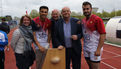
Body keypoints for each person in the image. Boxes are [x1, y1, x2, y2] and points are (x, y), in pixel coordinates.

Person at [82, 2, 106, 69]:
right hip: (86, 47)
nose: (86, 11)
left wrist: (98, 49)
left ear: (91, 9)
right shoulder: (83, 20)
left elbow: (103, 34)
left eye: (87, 9)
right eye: (84, 9)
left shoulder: (97, 19)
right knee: (90, 67)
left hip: (94, 48)